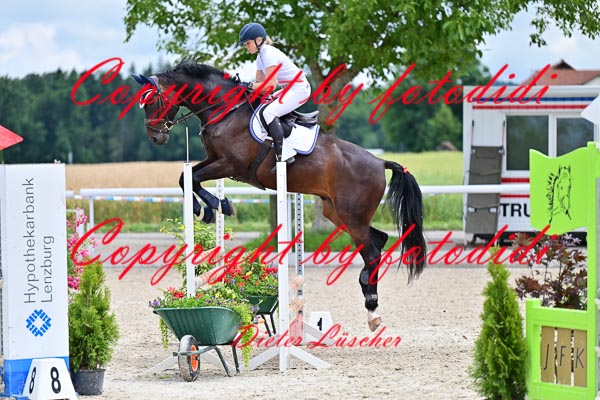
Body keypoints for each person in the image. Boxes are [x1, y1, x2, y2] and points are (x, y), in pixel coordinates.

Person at [239, 22, 311, 169]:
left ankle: (284, 155)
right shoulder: (260, 57)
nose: (246, 47)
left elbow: (270, 86)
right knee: (261, 107)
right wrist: (241, 88)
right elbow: (260, 86)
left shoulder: (269, 54)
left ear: (259, 40)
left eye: (247, 43)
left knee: (269, 112)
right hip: (289, 88)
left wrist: (248, 85)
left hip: (299, 89)